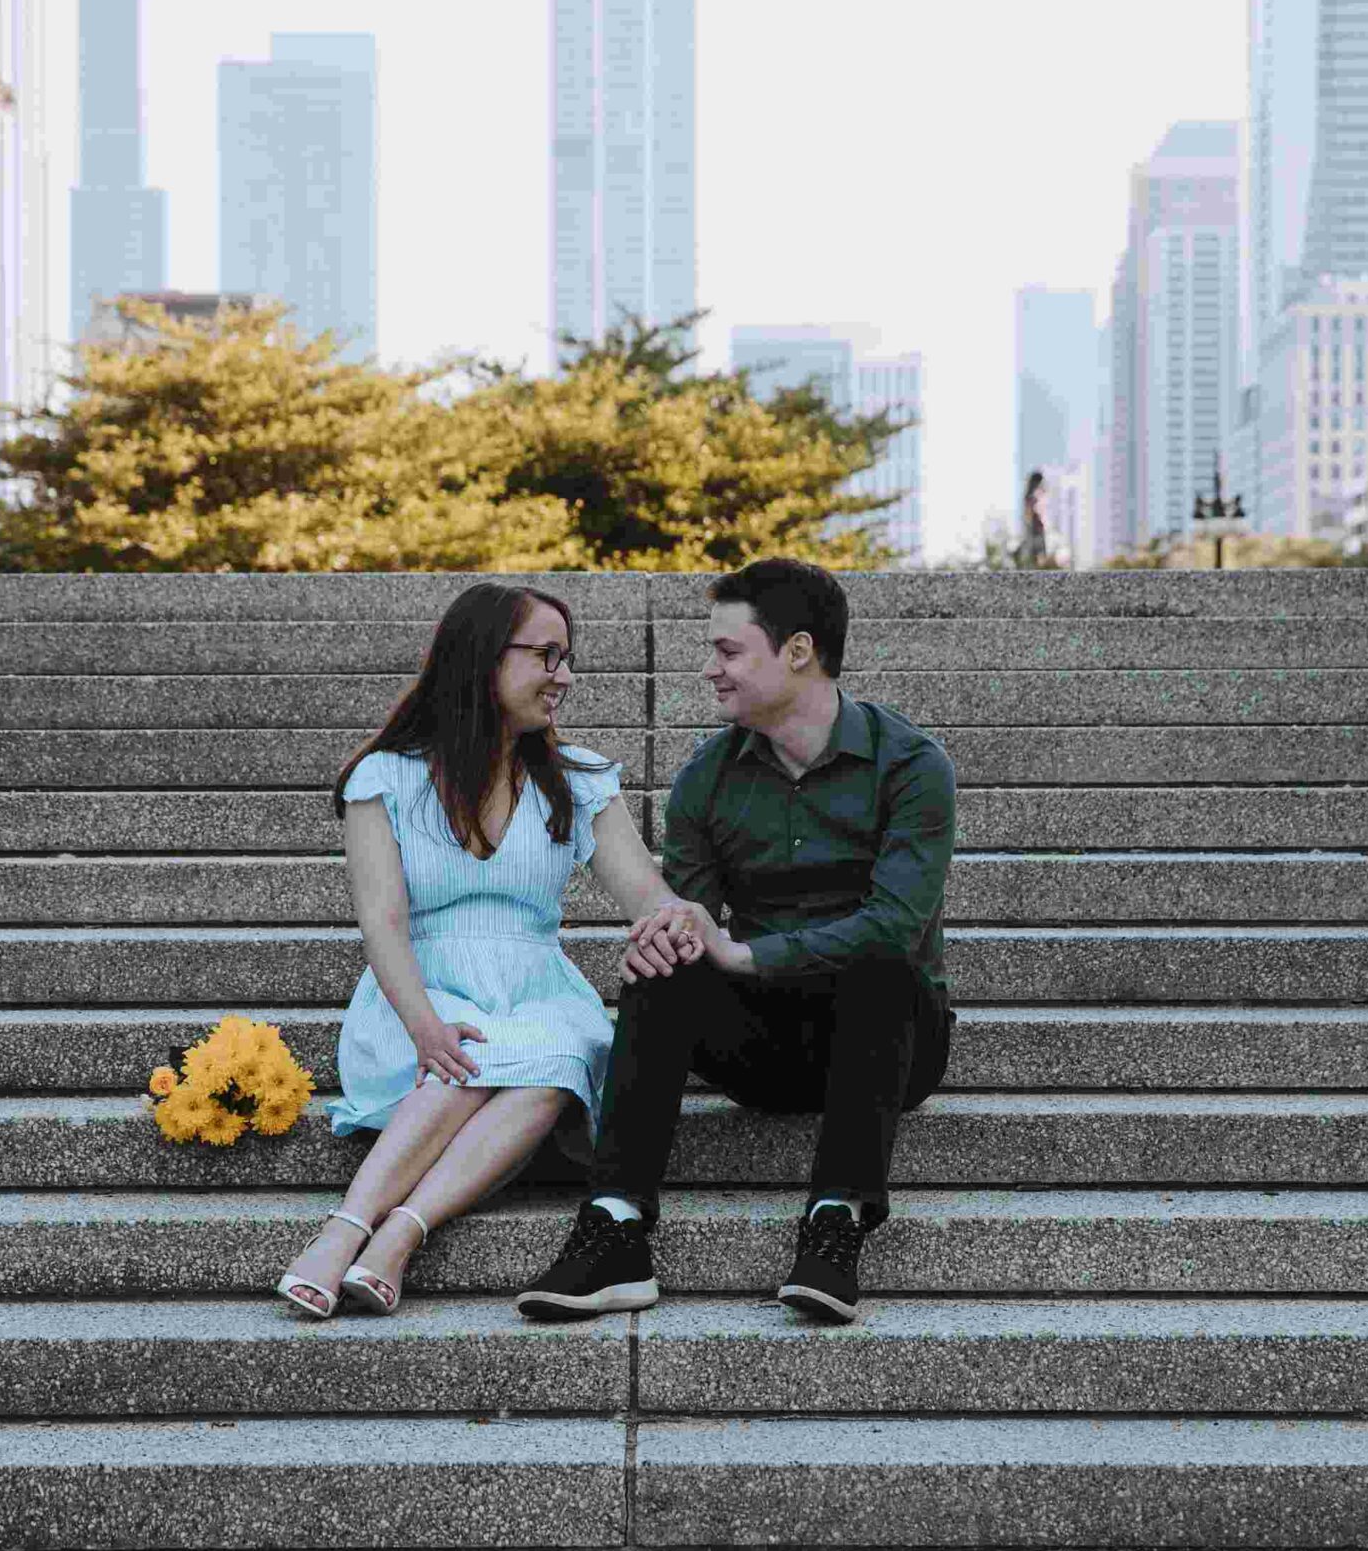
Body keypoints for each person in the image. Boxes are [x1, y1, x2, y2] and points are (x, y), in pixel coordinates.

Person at [515, 558, 958, 1325]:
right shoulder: (705, 780)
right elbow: (693, 918)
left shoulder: (911, 766)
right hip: (762, 1046)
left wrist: (747, 953)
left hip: (892, 1041)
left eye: (728, 650)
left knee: (881, 963)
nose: (710, 669)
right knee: (662, 962)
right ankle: (616, 1224)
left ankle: (836, 1219)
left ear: (797, 651)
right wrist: (669, 938)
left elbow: (896, 921)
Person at [276, 582, 699, 1319]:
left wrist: (675, 919)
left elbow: (646, 894)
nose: (563, 676)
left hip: (537, 991)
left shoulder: (580, 781)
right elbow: (383, 922)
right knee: (468, 1051)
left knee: (559, 1053)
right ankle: (348, 1229)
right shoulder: (387, 776)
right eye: (546, 655)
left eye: (567, 658)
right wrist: (424, 1026)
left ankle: (397, 1236)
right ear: (482, 659)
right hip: (419, 992)